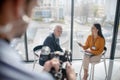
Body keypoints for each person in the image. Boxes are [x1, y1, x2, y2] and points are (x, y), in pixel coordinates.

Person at [0, 0, 76, 80]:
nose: (31, 17)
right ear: (18, 6)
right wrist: (72, 77)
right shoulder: (50, 39)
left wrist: (44, 72)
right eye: (33, 8)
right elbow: (50, 54)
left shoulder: (7, 51)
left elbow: (58, 48)